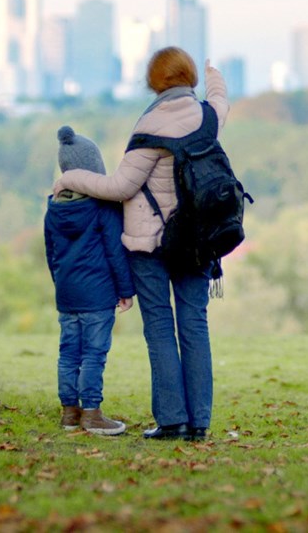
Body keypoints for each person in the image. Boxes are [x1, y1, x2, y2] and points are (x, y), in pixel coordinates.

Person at [53, 47, 229, 442]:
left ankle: (172, 421)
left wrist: (71, 179)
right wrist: (213, 70)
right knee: (195, 326)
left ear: (153, 82)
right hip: (198, 241)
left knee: (160, 329)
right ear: (190, 79)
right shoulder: (208, 116)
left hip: (150, 245)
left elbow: (119, 187)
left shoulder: (150, 127)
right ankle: (199, 422)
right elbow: (221, 98)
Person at [45, 125, 135, 436]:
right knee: (94, 354)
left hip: (67, 294)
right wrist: (126, 291)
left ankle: (70, 412)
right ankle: (93, 413)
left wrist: (62, 284)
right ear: (94, 168)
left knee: (68, 352)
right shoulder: (102, 206)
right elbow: (115, 251)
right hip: (97, 294)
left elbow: (51, 254)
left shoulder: (53, 207)